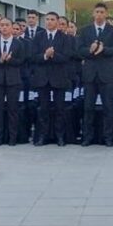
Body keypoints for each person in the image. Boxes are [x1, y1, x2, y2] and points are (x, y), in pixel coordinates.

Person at [77, 2, 113, 146]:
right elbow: (79, 50)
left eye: (102, 12)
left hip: (106, 74)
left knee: (108, 108)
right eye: (97, 12)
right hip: (90, 74)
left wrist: (104, 49)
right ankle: (87, 137)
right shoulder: (85, 30)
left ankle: (108, 137)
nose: (99, 14)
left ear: (106, 14)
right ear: (93, 14)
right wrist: (90, 50)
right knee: (88, 107)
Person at [30, 12, 75, 146]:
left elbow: (66, 57)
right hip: (42, 78)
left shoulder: (64, 38)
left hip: (59, 77)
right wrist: (45, 56)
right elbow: (33, 57)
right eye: (47, 19)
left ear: (57, 21)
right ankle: (43, 136)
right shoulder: (39, 37)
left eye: (52, 19)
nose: (49, 22)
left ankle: (59, 136)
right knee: (43, 109)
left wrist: (53, 55)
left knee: (59, 109)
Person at [0, 17, 28, 145]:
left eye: (6, 25)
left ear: (12, 27)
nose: (4, 27)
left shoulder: (19, 43)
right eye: (2, 25)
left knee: (13, 110)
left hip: (13, 80)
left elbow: (22, 60)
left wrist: (10, 59)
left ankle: (13, 138)